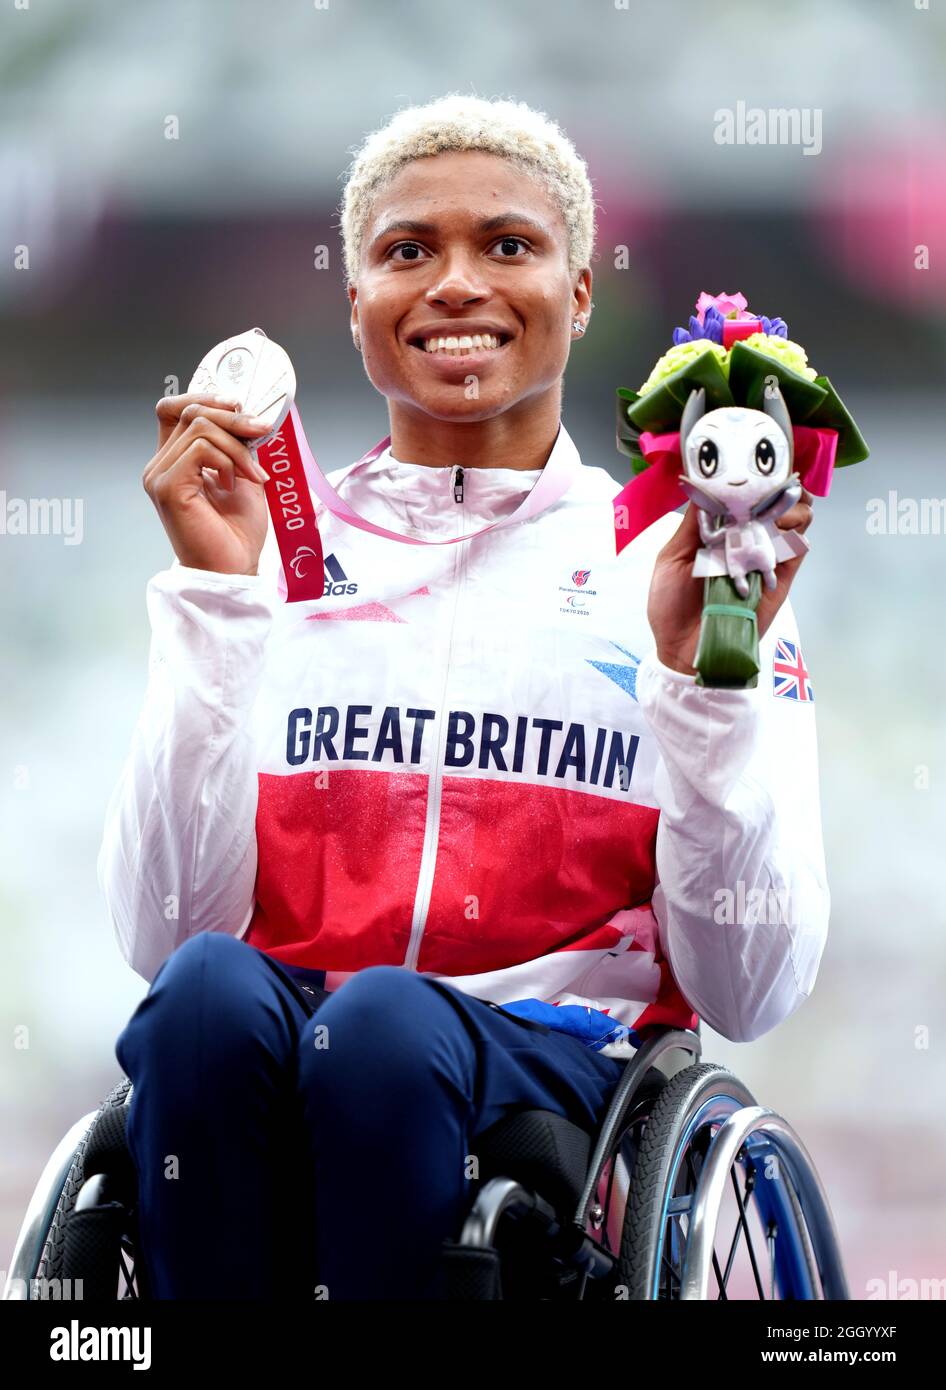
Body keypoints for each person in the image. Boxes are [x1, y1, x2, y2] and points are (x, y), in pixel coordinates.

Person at [98, 93, 828, 1301]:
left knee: (380, 1029)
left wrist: (704, 688)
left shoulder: (685, 566)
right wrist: (214, 604)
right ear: (356, 306)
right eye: (405, 251)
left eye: (506, 244)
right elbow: (165, 937)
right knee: (204, 999)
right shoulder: (263, 550)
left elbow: (750, 990)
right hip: (289, 1038)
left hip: (558, 1065)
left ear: (579, 293)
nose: (453, 284)